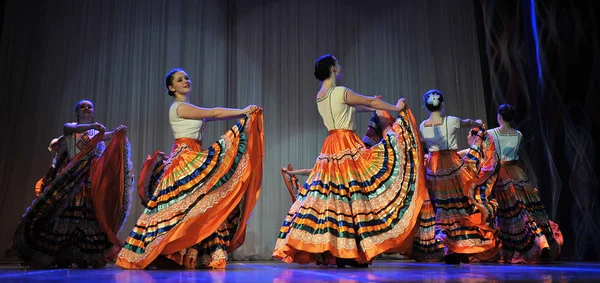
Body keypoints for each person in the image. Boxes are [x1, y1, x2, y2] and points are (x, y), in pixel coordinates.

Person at [273, 54, 427, 267]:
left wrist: (374, 105)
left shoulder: (321, 95)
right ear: (333, 68)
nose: (340, 65)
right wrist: (396, 107)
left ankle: (343, 251)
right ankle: (351, 250)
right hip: (346, 142)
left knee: (336, 197)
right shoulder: (340, 91)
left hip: (331, 144)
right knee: (354, 196)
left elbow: (360, 105)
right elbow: (368, 101)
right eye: (337, 63)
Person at [116, 68, 264, 270]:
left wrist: (244, 114)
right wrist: (243, 111)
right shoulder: (179, 107)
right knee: (186, 205)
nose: (185, 81)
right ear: (171, 87)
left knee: (200, 204)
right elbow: (213, 112)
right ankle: (168, 250)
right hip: (185, 158)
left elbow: (215, 115)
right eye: (179, 79)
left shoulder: (186, 107)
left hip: (193, 154)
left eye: (186, 78)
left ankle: (194, 254)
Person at [9, 100, 132, 268]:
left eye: (89, 107)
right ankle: (56, 254)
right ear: (77, 112)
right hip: (72, 177)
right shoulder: (70, 127)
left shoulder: (95, 132)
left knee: (86, 214)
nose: (86, 109)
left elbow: (110, 136)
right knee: (65, 212)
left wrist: (118, 131)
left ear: (93, 112)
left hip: (88, 179)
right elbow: (73, 130)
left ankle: (83, 255)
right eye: (83, 106)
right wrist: (95, 127)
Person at [418, 89, 499, 264]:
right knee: (459, 204)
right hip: (452, 164)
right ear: (443, 104)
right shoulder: (451, 120)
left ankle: (450, 248)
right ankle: (458, 246)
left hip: (434, 167)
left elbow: (425, 141)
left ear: (426, 106)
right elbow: (468, 123)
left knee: (442, 207)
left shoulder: (423, 125)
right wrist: (477, 124)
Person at [488, 104, 563, 263]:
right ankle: (541, 242)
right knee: (524, 211)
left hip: (501, 175)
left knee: (510, 214)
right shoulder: (518, 134)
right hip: (517, 173)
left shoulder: (491, 134)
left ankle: (523, 248)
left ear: (500, 116)